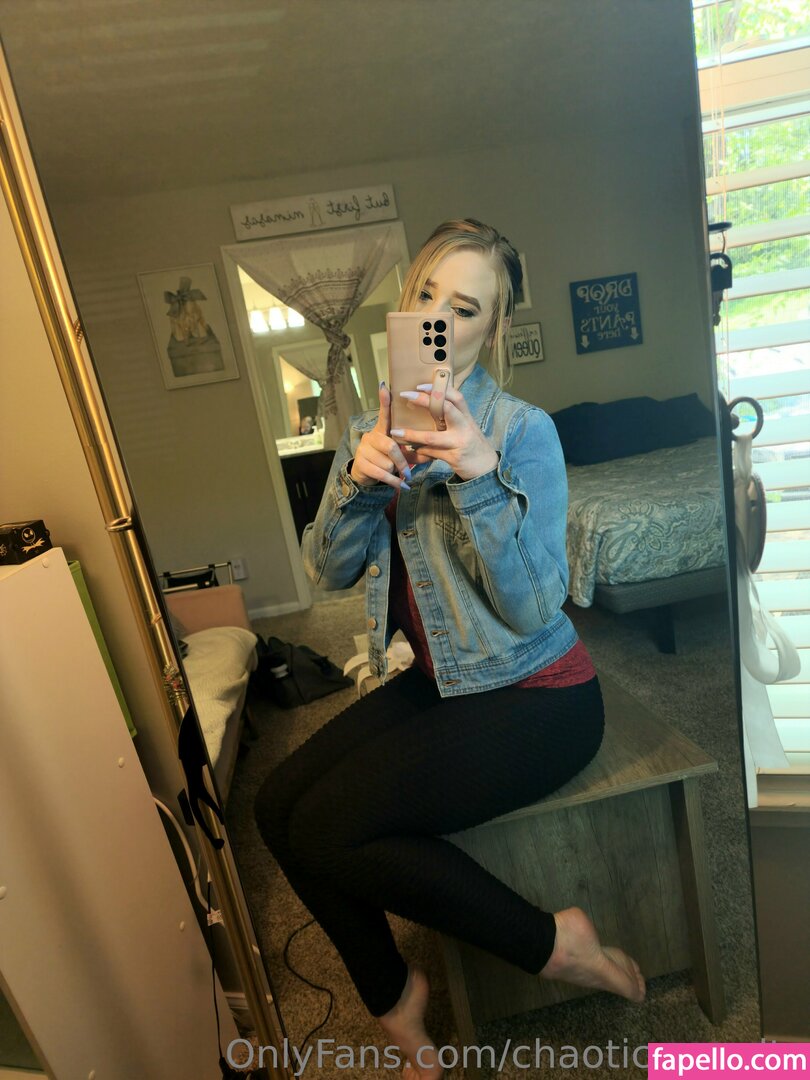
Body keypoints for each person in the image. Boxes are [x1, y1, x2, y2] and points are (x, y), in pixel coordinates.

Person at [254, 219, 645, 1080]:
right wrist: (356, 483)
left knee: (329, 827)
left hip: (541, 694)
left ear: (491, 328)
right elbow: (326, 574)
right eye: (426, 295)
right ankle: (397, 997)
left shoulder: (523, 431)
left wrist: (478, 474)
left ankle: (556, 945)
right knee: (276, 807)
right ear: (405, 306)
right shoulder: (372, 427)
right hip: (446, 682)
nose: (439, 318)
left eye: (464, 308)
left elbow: (535, 608)